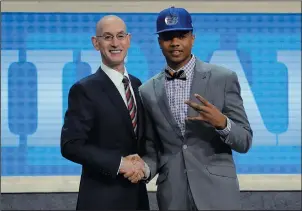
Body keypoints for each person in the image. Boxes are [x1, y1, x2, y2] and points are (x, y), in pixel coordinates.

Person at [136, 6, 253, 210]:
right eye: (168, 37)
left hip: (218, 194)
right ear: (159, 42)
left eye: (181, 35)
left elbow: (244, 140)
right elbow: (153, 148)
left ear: (192, 38)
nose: (175, 43)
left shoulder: (223, 78)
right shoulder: (146, 91)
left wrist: (223, 124)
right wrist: (143, 169)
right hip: (173, 196)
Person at [60, 15, 149, 210]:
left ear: (129, 40)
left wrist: (143, 167)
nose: (115, 43)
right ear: (96, 43)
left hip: (137, 200)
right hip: (101, 201)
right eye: (108, 37)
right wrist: (120, 164)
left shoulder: (137, 85)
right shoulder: (84, 89)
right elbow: (70, 145)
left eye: (120, 36)